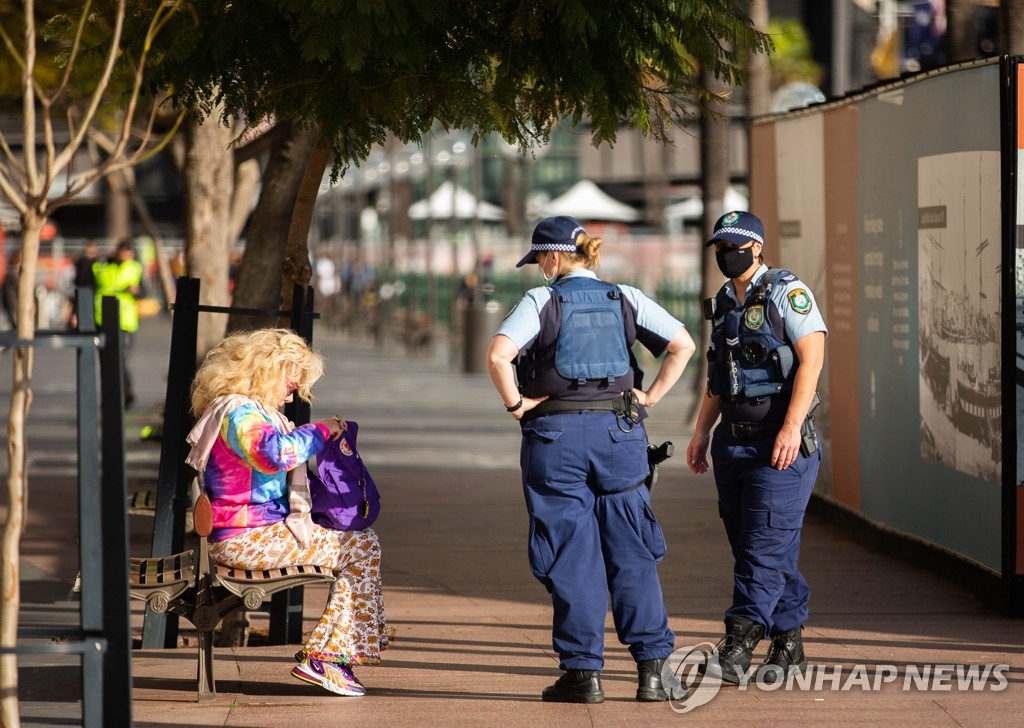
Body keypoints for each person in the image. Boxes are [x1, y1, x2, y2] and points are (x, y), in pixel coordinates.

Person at [486, 216, 696, 703]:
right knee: (632, 549)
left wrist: (517, 405)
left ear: (556, 257)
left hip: (555, 439)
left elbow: (499, 355)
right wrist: (651, 397)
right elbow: (683, 345)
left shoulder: (543, 301)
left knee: (570, 553)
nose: (539, 266)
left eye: (540, 257)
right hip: (620, 434)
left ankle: (584, 674)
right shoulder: (624, 297)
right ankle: (654, 670)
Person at [185, 328, 388, 697]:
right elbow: (274, 454)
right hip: (246, 538)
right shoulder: (240, 414)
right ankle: (328, 658)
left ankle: (335, 652)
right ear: (268, 371)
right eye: (292, 383)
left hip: (252, 533)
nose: (293, 393)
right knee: (360, 548)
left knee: (362, 544)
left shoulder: (240, 410)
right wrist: (321, 431)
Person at [685, 211, 826, 686]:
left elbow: (813, 357)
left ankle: (738, 644)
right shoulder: (725, 301)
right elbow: (717, 376)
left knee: (763, 548)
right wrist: (702, 431)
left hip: (780, 449)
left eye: (736, 246)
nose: (728, 254)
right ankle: (789, 643)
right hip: (733, 444)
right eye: (721, 247)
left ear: (757, 248)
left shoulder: (788, 291)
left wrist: (790, 428)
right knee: (755, 545)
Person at [93, 239, 143, 405]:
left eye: (128, 253)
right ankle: (113, 394)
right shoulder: (102, 266)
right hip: (102, 317)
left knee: (121, 358)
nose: (125, 256)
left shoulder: (135, 267)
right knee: (107, 359)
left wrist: (136, 291)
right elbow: (89, 285)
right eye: (123, 252)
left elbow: (143, 291)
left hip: (126, 321)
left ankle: (125, 391)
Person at [2, 248, 20, 329]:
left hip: (10, 302)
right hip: (14, 303)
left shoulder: (9, 273)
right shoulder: (14, 273)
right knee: (16, 324)